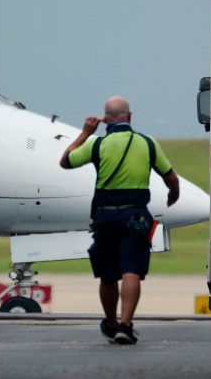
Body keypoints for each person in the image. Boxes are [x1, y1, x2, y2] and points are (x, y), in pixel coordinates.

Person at [59, 96, 180, 344]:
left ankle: (111, 323)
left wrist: (85, 133)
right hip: (135, 215)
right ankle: (126, 325)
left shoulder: (97, 145)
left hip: (105, 217)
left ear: (105, 119)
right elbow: (170, 177)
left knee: (107, 275)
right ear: (130, 116)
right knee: (131, 271)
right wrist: (173, 194)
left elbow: (65, 161)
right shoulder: (147, 143)